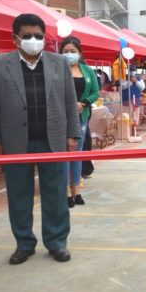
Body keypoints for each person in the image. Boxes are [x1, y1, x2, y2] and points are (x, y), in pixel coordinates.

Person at [0, 14, 80, 264]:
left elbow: (68, 100)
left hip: (52, 140)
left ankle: (56, 242)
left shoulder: (59, 63)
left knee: (54, 195)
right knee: (19, 195)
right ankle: (24, 243)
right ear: (15, 38)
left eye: (39, 36)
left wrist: (72, 134)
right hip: (15, 142)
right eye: (28, 35)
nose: (34, 40)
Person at [60, 36, 99, 208]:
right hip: (61, 119)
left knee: (77, 154)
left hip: (81, 117)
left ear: (79, 53)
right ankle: (65, 191)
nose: (69, 54)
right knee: (63, 155)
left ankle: (76, 190)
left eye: (73, 51)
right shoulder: (57, 70)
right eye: (66, 51)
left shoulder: (87, 71)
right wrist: (70, 104)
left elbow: (95, 92)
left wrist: (83, 103)